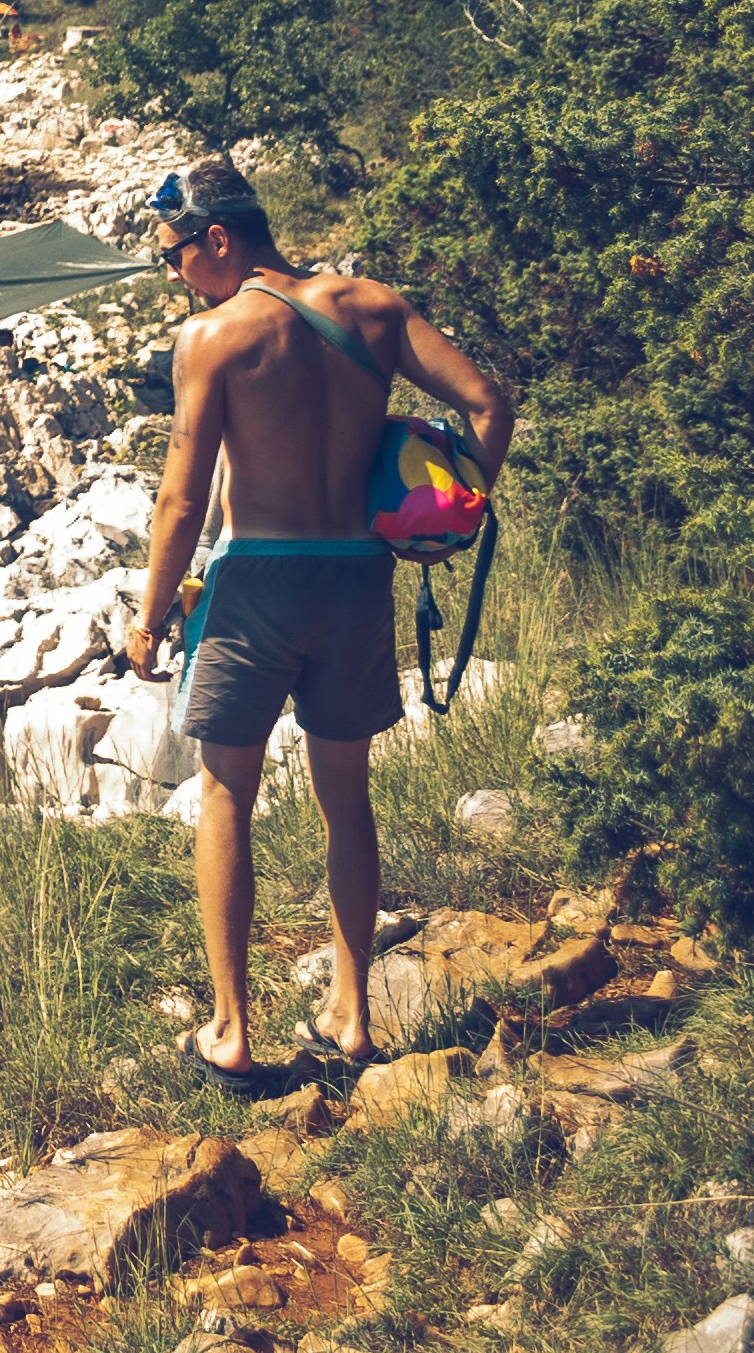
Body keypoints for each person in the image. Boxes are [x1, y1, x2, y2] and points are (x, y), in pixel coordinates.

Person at [122, 156, 514, 1084]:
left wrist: (146, 622)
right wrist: (449, 519)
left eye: (177, 256)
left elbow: (181, 503)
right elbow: (489, 405)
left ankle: (231, 1030)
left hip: (257, 580)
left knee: (226, 796)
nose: (176, 276)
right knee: (348, 799)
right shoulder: (373, 308)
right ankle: (350, 1011)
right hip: (357, 583)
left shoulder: (214, 339)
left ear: (219, 239)